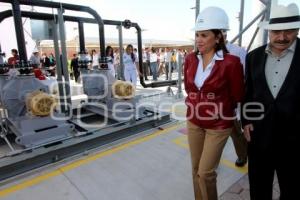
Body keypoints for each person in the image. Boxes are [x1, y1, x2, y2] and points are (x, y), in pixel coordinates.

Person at [184, 7, 244, 200]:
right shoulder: (190, 59)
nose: (199, 40)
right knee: (195, 170)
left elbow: (237, 95)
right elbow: (190, 88)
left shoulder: (231, 62)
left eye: (204, 35)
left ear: (218, 37)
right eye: (197, 35)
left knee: (206, 172)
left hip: (218, 125)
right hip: (194, 121)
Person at [241, 3, 300, 200]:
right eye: (276, 31)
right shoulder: (253, 57)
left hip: (294, 142)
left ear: (297, 29)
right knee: (258, 189)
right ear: (268, 31)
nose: (282, 37)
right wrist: (246, 121)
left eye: (289, 31)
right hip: (259, 139)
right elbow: (248, 94)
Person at [221, 14, 248, 167]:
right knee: (212, 133)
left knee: (235, 132)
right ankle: (212, 159)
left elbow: (244, 76)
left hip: (230, 102)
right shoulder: (208, 52)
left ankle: (242, 155)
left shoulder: (238, 51)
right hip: (213, 102)